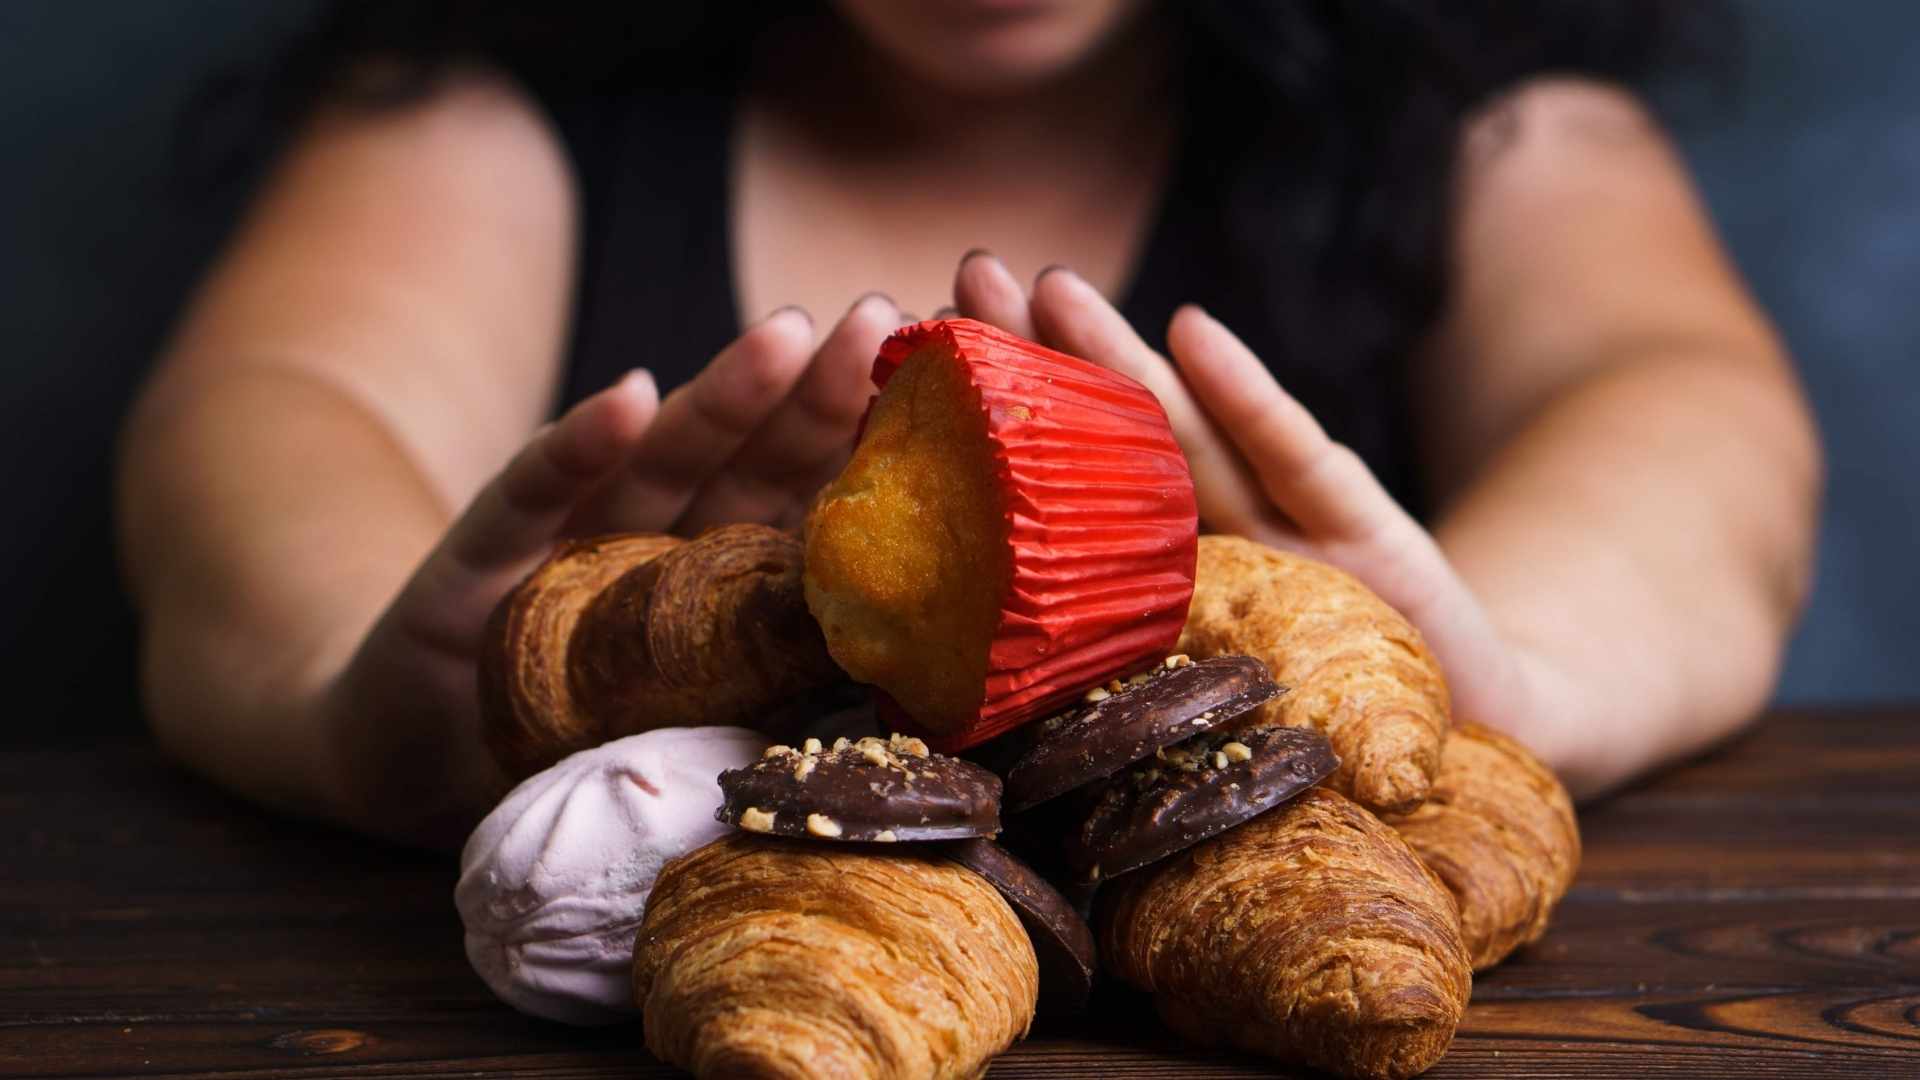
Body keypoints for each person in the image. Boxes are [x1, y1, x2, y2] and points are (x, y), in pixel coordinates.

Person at [117, 1, 1822, 849]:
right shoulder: (487, 107)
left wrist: (1505, 662)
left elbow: (1682, 408)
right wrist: (357, 689)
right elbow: (273, 413)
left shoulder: (1492, 130)